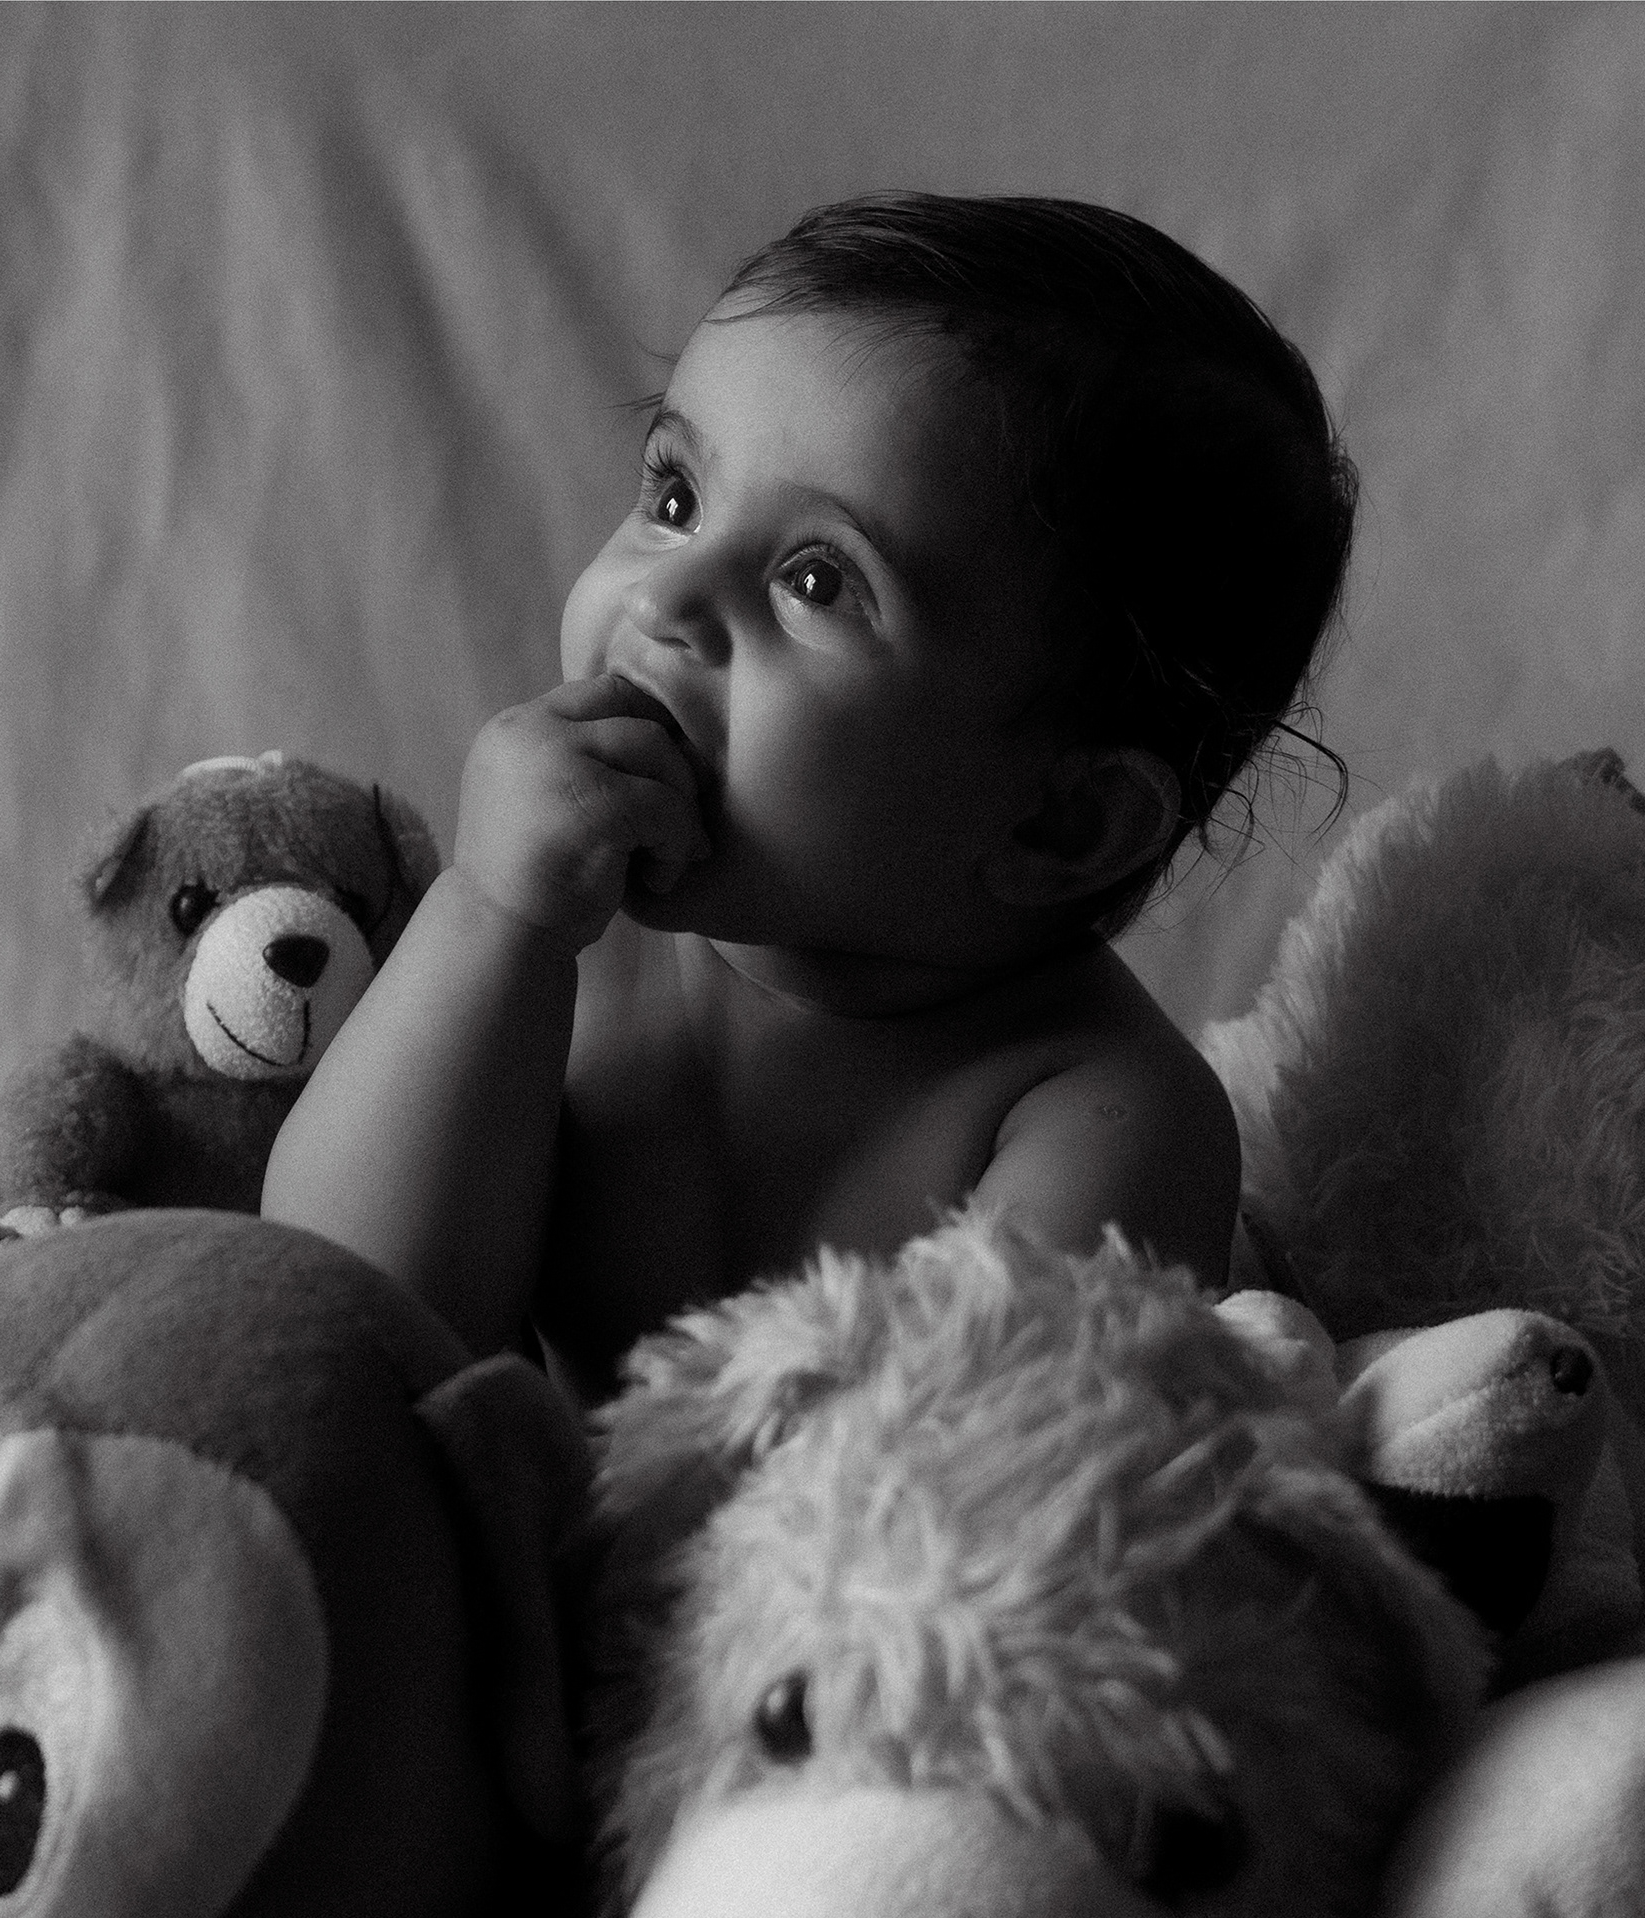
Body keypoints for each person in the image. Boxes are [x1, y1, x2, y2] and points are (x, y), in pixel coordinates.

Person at [263, 193, 1358, 1401]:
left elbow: (985, 1479)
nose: (667, 598)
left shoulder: (1098, 1112)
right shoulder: (566, 944)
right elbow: (345, 1314)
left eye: (818, 580)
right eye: (675, 499)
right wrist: (488, 916)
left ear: (1063, 823)